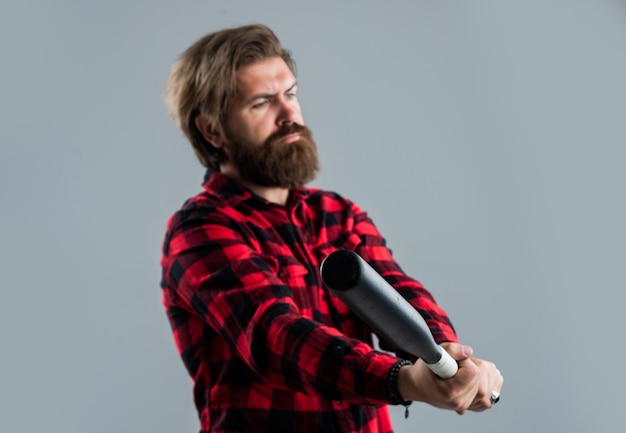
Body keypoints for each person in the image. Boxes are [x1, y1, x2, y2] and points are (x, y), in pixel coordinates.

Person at [160, 24, 503, 433]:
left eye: (290, 94)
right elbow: (277, 338)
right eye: (262, 103)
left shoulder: (337, 214)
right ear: (212, 130)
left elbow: (397, 294)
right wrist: (403, 380)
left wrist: (449, 357)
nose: (289, 115)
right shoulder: (198, 230)